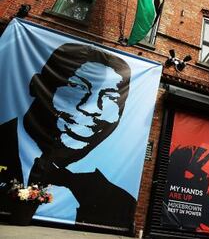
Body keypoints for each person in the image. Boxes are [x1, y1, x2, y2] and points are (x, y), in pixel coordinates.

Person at [0, 43, 135, 229]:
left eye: (111, 98)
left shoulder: (119, 203)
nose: (92, 109)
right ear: (37, 85)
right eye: (77, 86)